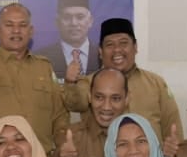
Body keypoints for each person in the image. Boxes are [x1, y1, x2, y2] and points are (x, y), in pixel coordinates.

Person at [0, 3, 68, 154]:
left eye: (22, 25)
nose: (16, 30)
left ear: (31, 31)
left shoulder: (44, 66)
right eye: (9, 25)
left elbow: (59, 115)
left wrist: (63, 144)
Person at [65, 17, 180, 145]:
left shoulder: (155, 83)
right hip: (101, 156)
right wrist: (70, 83)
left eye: (123, 43)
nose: (117, 50)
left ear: (135, 47)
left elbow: (173, 128)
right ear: (100, 52)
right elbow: (75, 104)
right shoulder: (89, 83)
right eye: (110, 45)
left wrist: (173, 152)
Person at [57, 68, 128, 157]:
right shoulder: (73, 136)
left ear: (127, 99)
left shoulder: (140, 138)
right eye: (99, 97)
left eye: (115, 98)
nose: (106, 107)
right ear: (89, 97)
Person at [32, 0, 100, 83]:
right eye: (67, 17)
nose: (74, 23)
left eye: (80, 17)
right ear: (57, 22)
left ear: (90, 21)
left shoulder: (102, 55)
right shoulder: (41, 58)